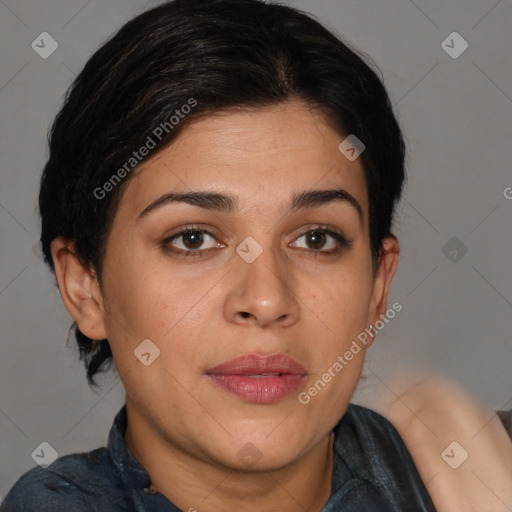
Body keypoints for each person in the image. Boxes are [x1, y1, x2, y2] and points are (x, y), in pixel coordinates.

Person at [1, 0, 437, 510]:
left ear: (378, 287)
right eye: (193, 239)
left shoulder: (466, 475)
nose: (267, 299)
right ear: (85, 287)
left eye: (316, 239)